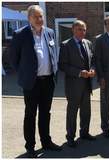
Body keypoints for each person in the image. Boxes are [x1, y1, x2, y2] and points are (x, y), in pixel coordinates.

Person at [9, 5, 61, 158]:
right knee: (30, 114)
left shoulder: (50, 32)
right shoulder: (20, 34)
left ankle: (46, 142)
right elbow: (13, 59)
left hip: (48, 81)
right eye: (36, 17)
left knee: (46, 113)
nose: (39, 19)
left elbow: (52, 53)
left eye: (41, 16)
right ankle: (30, 146)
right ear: (29, 18)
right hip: (31, 83)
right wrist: (25, 74)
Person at [59, 20, 96, 148]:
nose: (82, 32)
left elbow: (93, 60)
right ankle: (70, 137)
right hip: (73, 85)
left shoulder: (88, 43)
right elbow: (62, 65)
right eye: (79, 29)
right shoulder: (65, 45)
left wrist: (92, 70)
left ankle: (84, 132)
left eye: (84, 29)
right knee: (72, 112)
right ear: (73, 30)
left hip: (87, 84)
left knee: (86, 111)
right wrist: (79, 72)